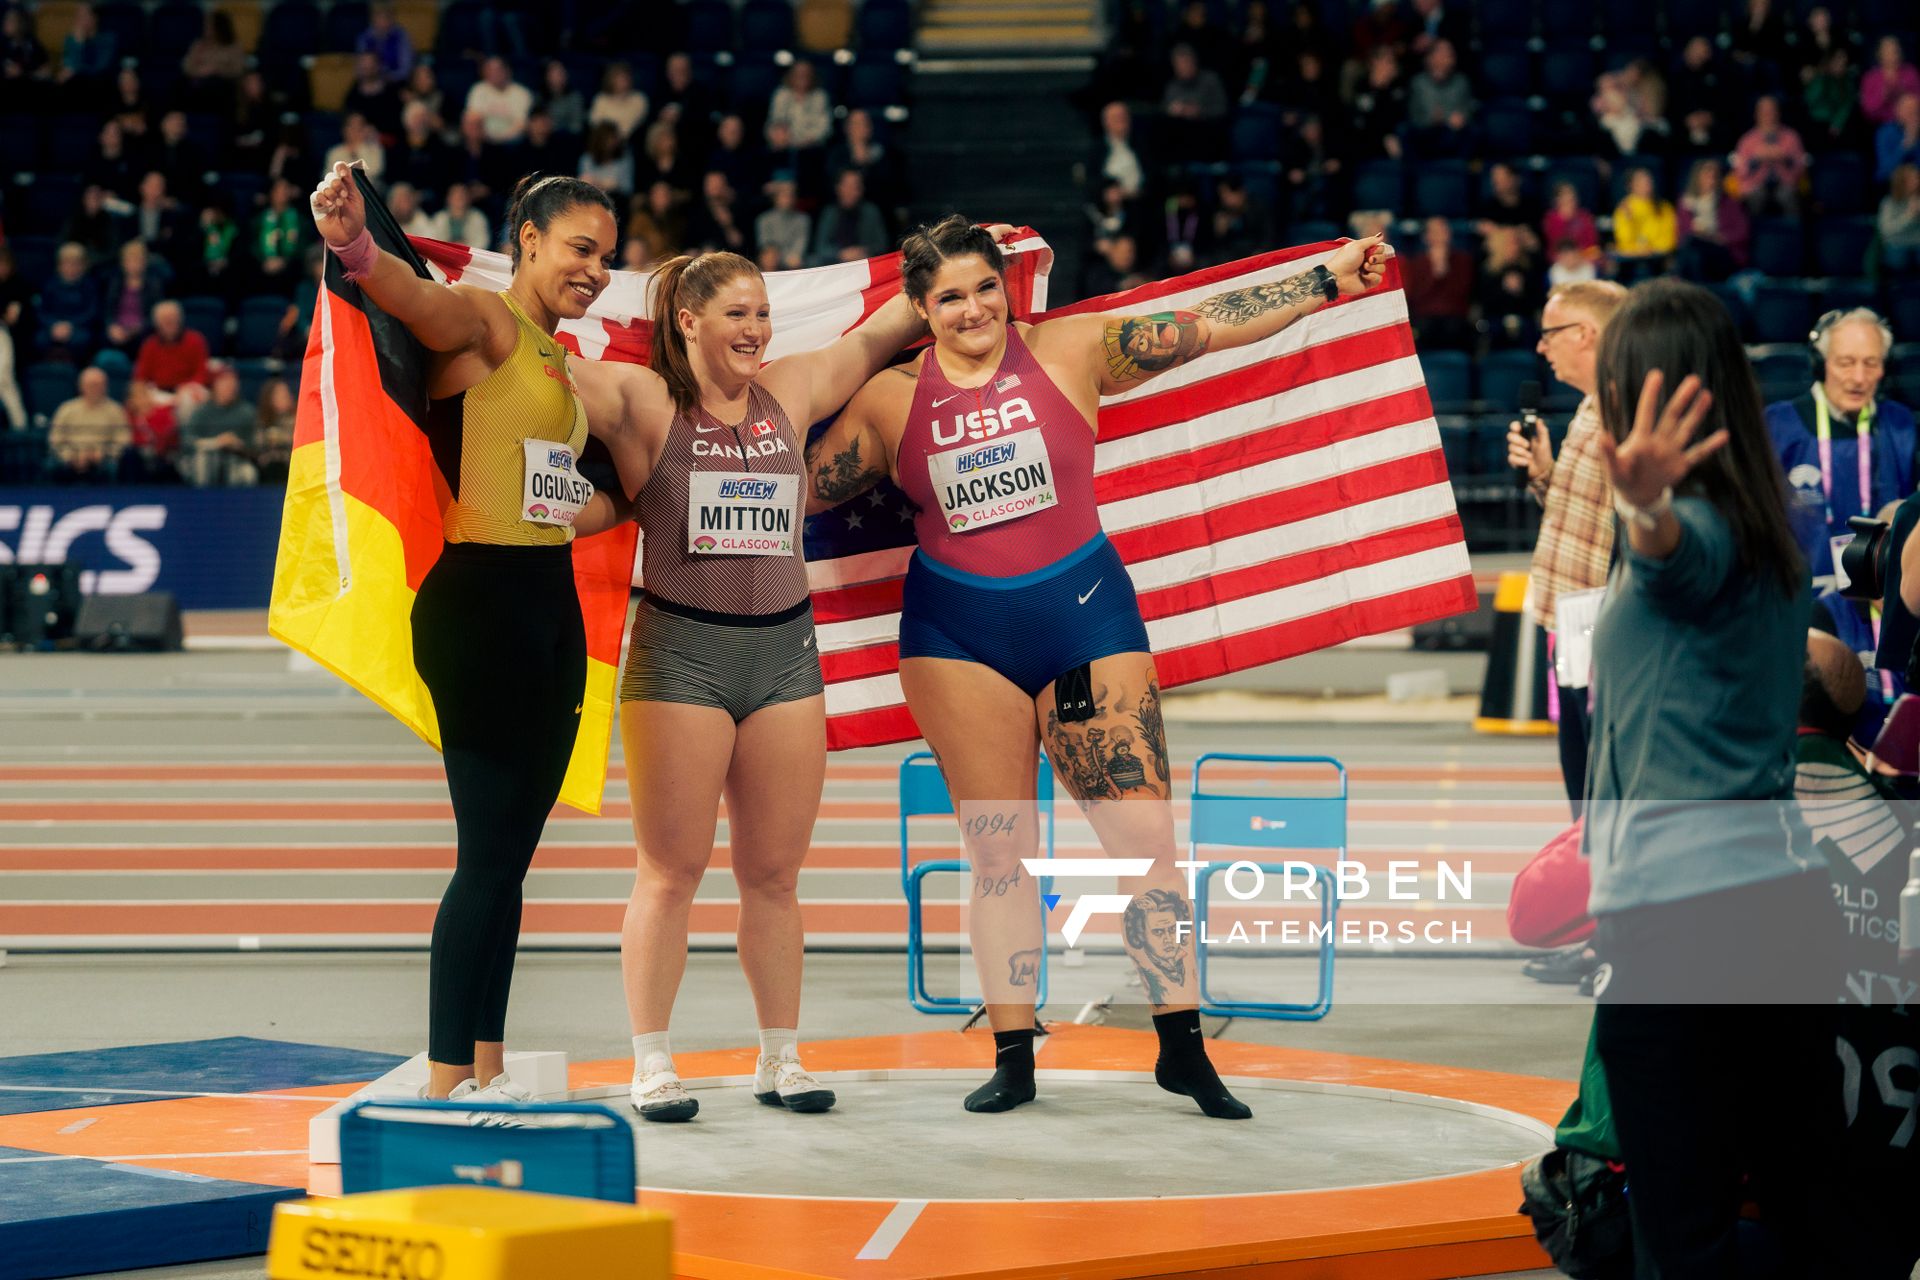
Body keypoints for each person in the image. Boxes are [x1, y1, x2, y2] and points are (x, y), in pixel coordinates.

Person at [804, 217, 1387, 1117]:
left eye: (985, 289)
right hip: (956, 637)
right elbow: (788, 480)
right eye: (949, 297)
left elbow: (1210, 322)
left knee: (1146, 845)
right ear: (919, 307)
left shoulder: (1071, 349)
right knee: (1000, 853)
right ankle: (1012, 1055)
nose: (972, 310)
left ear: (1009, 288)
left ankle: (1182, 1049)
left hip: (1083, 620)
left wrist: (1325, 280)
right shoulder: (888, 399)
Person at [567, 250, 929, 1122]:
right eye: (735, 313)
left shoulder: (793, 388)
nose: (755, 329)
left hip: (786, 660)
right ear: (686, 321)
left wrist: (958, 263)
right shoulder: (645, 401)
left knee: (774, 877)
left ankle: (781, 1057)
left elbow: (887, 329)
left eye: (762, 313)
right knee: (670, 872)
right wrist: (377, 265)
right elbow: (527, 356)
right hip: (681, 656)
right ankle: (652, 1062)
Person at [309, 163, 626, 1107]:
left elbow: (566, 497)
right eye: (580, 249)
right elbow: (410, 300)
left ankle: (487, 1066)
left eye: (606, 257)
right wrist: (354, 245)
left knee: (512, 857)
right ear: (526, 239)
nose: (596, 271)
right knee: (486, 855)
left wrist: (591, 509)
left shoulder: (556, 358)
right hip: (479, 609)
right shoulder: (485, 320)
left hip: (547, 610)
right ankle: (447, 1085)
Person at [1584, 278, 1842, 1276]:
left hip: (1686, 921)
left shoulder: (1702, 528)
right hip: (1773, 899)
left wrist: (1645, 503)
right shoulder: (1768, 526)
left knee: (1684, 1227)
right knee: (1804, 1208)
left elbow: (1668, 557)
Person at [1509, 282, 1628, 827]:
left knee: (1601, 789)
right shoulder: (1592, 406)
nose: (1541, 347)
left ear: (1586, 334)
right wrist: (1544, 475)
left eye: (1550, 333)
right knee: (1582, 784)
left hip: (1605, 635)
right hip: (1575, 629)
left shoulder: (1625, 414)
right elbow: (1590, 517)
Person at [1766, 308, 1915, 583]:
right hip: (1799, 596)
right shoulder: (1778, 425)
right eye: (1846, 363)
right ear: (1821, 365)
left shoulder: (1900, 425)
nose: (1859, 378)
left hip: (1880, 594)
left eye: (1871, 363)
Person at [48, 367, 131, 482]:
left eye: (98, 385)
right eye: (91, 385)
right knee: (52, 466)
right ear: (81, 386)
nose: (94, 389)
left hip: (103, 458)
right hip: (71, 457)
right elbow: (55, 438)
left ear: (105, 386)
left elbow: (123, 439)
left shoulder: (115, 410)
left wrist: (104, 454)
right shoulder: (66, 409)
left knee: (116, 466)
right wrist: (70, 456)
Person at [1673, 157, 1749, 283]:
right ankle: (1698, 291)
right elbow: (1681, 233)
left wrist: (1719, 237)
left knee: (1692, 246)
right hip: (1697, 250)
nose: (1711, 178)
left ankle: (1678, 278)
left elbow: (1742, 232)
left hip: (1723, 253)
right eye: (1707, 174)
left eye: (1714, 175)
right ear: (1697, 177)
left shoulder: (1729, 202)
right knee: (1694, 251)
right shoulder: (1685, 202)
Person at [1732, 94, 1807, 217]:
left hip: (1786, 184)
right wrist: (1756, 159)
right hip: (1755, 186)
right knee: (1756, 196)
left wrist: (1785, 159)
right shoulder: (1747, 140)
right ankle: (1753, 234)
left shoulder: (1792, 137)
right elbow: (1740, 172)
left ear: (1778, 113)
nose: (1768, 115)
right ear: (1756, 114)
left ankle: (1793, 233)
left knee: (1787, 195)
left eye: (1771, 111)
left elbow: (1801, 169)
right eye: (1764, 111)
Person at [1611, 168, 1675, 282]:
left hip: (1657, 257)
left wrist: (1651, 249)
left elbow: (1668, 239)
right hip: (1631, 259)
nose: (1646, 185)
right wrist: (1629, 219)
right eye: (1640, 182)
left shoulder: (1664, 207)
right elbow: (1624, 241)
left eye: (1648, 181)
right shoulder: (1624, 208)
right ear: (1630, 186)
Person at [132, 301, 210, 392]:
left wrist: (186, 388)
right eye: (164, 320)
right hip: (158, 391)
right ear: (157, 323)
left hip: (187, 390)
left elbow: (201, 373)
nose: (169, 322)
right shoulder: (149, 345)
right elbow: (141, 377)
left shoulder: (196, 340)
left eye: (172, 318)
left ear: (179, 319)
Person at [1880, 163, 1920, 275]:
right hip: (1897, 244)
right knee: (1899, 260)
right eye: (1913, 178)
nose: (1917, 181)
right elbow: (1887, 231)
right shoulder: (1889, 203)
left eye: (1917, 177)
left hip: (1917, 243)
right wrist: (1909, 216)